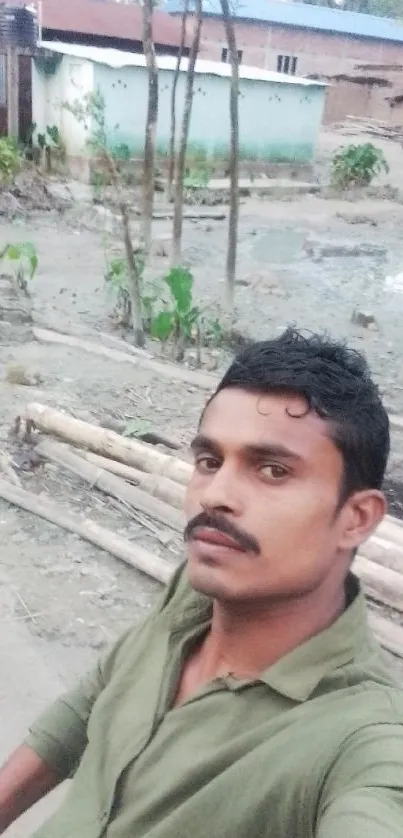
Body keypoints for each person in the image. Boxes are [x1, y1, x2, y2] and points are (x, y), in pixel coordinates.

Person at [0, 327, 402, 838]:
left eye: (273, 471)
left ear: (357, 518)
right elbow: (89, 702)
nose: (216, 495)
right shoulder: (194, 593)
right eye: (209, 461)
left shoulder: (363, 742)